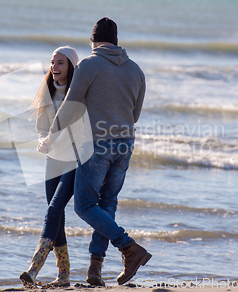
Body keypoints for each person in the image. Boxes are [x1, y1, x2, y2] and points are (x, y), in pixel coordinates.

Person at [39, 18, 150, 286]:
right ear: (116, 41)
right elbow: (134, 116)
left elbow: (69, 106)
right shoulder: (136, 71)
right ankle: (95, 269)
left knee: (85, 206)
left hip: (97, 145)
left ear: (93, 41)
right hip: (125, 145)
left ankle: (129, 247)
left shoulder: (89, 65)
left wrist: (51, 136)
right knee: (107, 203)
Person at [20, 46, 80, 287]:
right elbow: (42, 128)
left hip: (74, 161)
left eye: (61, 62)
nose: (54, 66)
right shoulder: (47, 92)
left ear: (71, 67)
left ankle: (34, 268)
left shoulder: (78, 95)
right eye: (53, 62)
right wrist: (42, 143)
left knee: (54, 210)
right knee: (57, 216)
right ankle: (64, 276)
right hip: (52, 160)